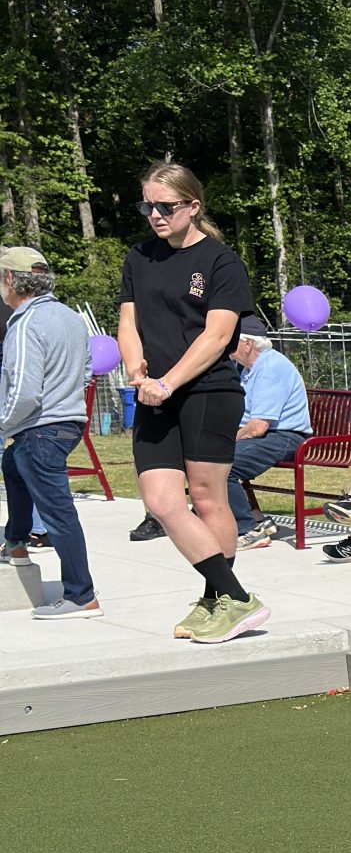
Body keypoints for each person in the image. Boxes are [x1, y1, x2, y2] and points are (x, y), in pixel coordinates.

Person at [115, 161, 268, 643]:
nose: (156, 216)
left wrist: (169, 382)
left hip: (207, 391)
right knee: (161, 501)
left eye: (166, 206)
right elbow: (127, 321)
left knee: (206, 497)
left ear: (193, 206)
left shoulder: (222, 262)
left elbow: (218, 335)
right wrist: (136, 369)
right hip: (154, 392)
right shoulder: (140, 257)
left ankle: (217, 599)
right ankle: (236, 597)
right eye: (147, 207)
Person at [1, 244, 102, 619]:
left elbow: (24, 391)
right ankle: (15, 542)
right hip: (67, 422)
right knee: (13, 464)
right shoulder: (72, 318)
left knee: (58, 513)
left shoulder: (25, 324)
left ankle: (81, 595)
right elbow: (87, 371)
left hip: (40, 427)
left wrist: (4, 423)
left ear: (10, 280)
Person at [225, 316, 311, 548]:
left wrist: (225, 442)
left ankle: (249, 529)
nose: (227, 346)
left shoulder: (270, 367)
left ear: (247, 344)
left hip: (286, 436)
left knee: (222, 465)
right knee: (209, 459)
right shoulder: (250, 369)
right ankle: (255, 519)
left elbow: (258, 427)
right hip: (271, 435)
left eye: (231, 341)